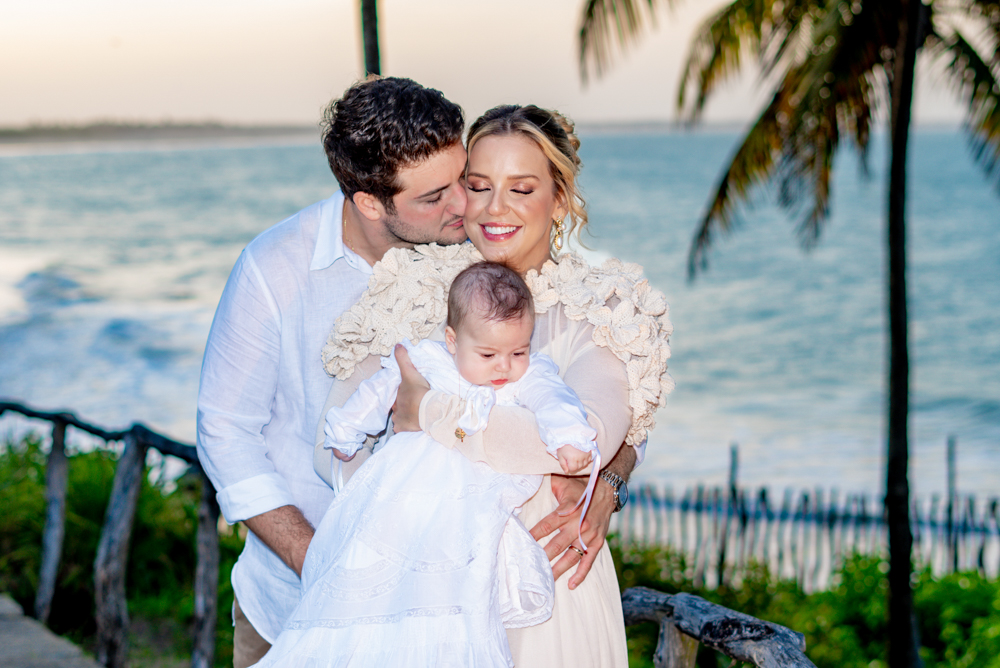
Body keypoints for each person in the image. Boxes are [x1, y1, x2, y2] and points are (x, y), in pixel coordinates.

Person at [317, 104, 673, 667]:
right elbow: (332, 444)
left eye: (522, 188)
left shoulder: (601, 310)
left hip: (553, 587)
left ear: (559, 198)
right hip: (422, 595)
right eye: (479, 186)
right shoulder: (410, 291)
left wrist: (429, 413)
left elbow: (589, 440)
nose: (495, 208)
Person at [195, 76, 468, 668]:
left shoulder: (475, 253)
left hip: (441, 621)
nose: (463, 207)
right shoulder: (274, 268)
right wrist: (314, 560)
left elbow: (578, 357)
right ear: (369, 201)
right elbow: (225, 430)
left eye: (462, 181)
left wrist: (611, 476)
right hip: (290, 612)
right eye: (433, 197)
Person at [254, 261, 604, 667]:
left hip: (471, 504)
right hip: (403, 489)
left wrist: (569, 438)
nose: (504, 366)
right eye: (488, 353)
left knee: (458, 590)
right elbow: (379, 390)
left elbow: (554, 400)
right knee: (377, 563)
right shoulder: (429, 361)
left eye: (518, 351)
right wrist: (346, 430)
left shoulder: (528, 375)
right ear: (453, 341)